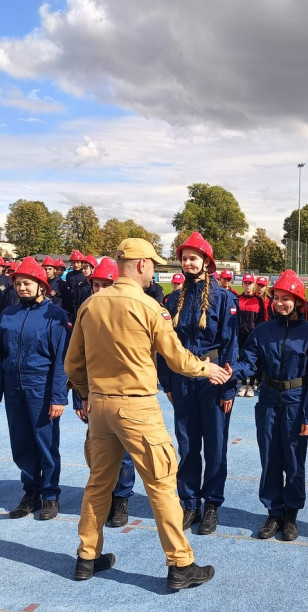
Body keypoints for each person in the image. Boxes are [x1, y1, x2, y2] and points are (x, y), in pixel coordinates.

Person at [64, 237, 230, 588]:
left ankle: (86, 556)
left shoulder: (91, 304)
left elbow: (73, 364)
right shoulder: (150, 307)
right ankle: (181, 564)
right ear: (141, 265)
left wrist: (85, 394)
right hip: (136, 406)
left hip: (100, 407)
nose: (154, 270)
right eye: (152, 264)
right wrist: (207, 369)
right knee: (161, 486)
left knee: (97, 485)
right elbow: (176, 357)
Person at [232, 270, 308, 541]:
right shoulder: (262, 331)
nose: (280, 303)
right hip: (269, 402)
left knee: (294, 462)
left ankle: (291, 515)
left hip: (296, 405)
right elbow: (249, 360)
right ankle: (273, 513)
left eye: (287, 298)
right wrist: (233, 371)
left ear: (298, 301)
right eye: (277, 297)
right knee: (270, 460)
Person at [159, 232, 239, 534]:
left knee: (215, 445)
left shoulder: (224, 298)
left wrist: (229, 386)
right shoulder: (172, 299)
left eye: (193, 257)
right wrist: (167, 381)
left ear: (206, 261)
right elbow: (164, 344)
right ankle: (189, 503)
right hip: (182, 378)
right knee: (188, 444)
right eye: (184, 258)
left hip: (213, 378)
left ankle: (212, 505)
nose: (187, 262)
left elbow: (231, 346)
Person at [0, 257, 72, 520]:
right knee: (21, 444)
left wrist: (59, 397)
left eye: (28, 283)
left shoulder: (56, 317)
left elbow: (62, 361)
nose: (23, 288)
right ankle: (30, 491)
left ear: (42, 287)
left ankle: (50, 495)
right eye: (19, 284)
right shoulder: (8, 316)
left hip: (41, 388)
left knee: (45, 443)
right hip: (14, 388)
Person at [71, 258, 138, 529]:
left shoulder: (129, 314)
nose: (98, 290)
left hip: (125, 397)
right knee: (97, 452)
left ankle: (121, 497)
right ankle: (106, 496)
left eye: (105, 285)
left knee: (123, 452)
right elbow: (77, 361)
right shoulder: (87, 313)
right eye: (95, 285)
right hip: (94, 397)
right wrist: (80, 396)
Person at [235, 273, 267, 397]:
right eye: (246, 283)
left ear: (253, 285)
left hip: (253, 335)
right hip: (241, 334)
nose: (248, 286)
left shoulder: (258, 300)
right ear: (242, 284)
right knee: (242, 358)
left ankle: (252, 385)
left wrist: (258, 333)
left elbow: (261, 318)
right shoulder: (238, 299)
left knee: (252, 359)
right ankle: (244, 384)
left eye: (250, 283)